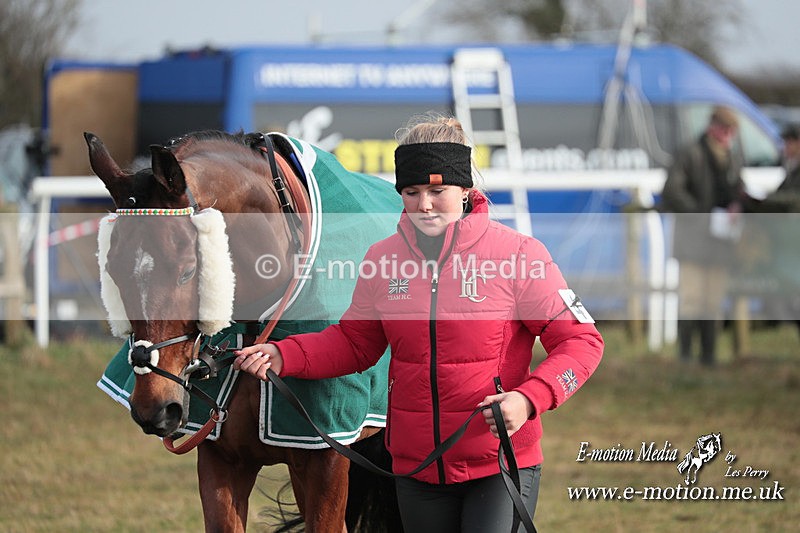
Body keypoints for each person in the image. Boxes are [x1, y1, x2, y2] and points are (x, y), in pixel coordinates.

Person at [234, 114, 604, 532]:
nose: (424, 204)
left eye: (437, 190)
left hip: (498, 465)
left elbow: (582, 342)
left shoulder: (520, 255)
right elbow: (355, 344)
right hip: (415, 470)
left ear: (465, 190)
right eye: (411, 192)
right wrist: (284, 355)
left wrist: (530, 398)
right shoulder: (381, 259)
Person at [661, 105, 747, 365]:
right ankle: (686, 356)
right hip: (693, 240)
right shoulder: (690, 153)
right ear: (713, 127)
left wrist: (737, 205)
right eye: (726, 130)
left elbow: (737, 188)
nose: (728, 136)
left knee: (713, 301)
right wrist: (701, 213)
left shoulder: (731, 156)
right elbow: (672, 192)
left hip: (720, 241)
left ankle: (709, 356)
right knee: (692, 299)